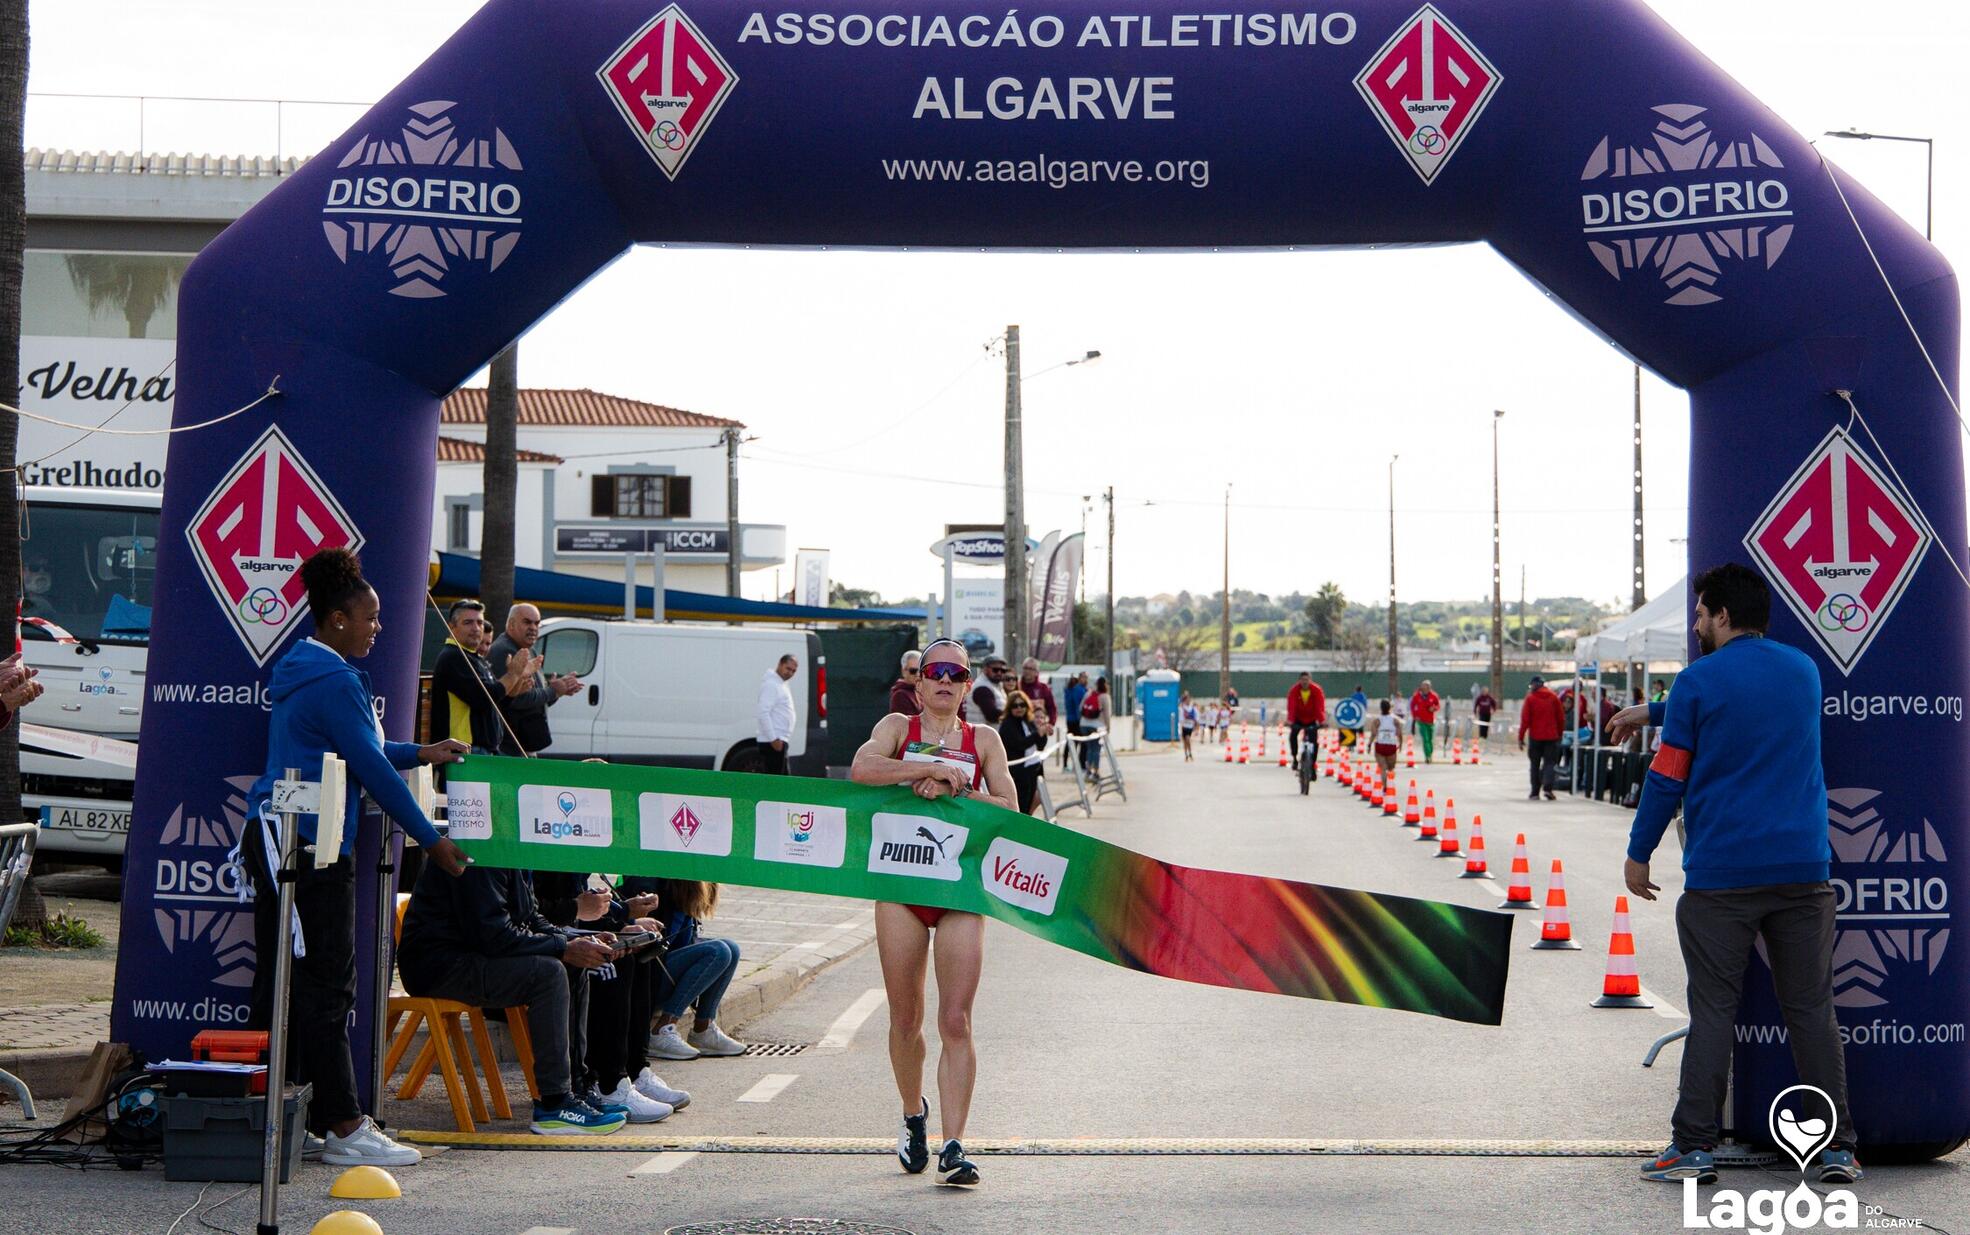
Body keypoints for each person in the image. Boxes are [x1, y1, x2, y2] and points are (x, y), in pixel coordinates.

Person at [1611, 564, 1860, 1187]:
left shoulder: (1698, 682)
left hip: (1722, 877)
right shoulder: (1803, 672)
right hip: (1804, 872)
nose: (1696, 622)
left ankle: (1693, 1147)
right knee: (1810, 1011)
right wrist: (1652, 709)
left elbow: (1668, 774)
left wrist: (1639, 851)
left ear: (1722, 615)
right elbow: (1735, 701)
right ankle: (1835, 1150)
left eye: (1700, 613)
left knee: (1714, 1009)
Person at [241, 548, 476, 1165]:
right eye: (370, 618)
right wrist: (432, 838)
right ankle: (343, 1126)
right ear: (338, 619)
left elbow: (362, 746)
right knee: (325, 984)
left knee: (299, 982)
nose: (379, 627)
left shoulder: (312, 670)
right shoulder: (337, 680)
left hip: (295, 838)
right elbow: (369, 766)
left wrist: (423, 752)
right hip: (305, 846)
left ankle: (299, 1114)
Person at [850, 638, 1017, 1188]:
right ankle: (912, 1116)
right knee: (905, 1018)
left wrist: (955, 788)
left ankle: (954, 1144)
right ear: (918, 684)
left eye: (955, 673)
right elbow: (863, 768)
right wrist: (917, 771)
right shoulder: (897, 727)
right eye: (934, 671)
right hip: (901, 884)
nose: (944, 680)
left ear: (967, 685)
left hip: (960, 892)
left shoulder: (985, 739)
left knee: (955, 1020)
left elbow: (1012, 813)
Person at [397, 860, 628, 1135]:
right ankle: (554, 1104)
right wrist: (564, 946)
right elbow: (493, 935)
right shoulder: (479, 854)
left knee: (574, 962)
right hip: (441, 967)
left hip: (470, 957)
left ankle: (576, 1090)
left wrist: (580, 939)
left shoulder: (509, 851)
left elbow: (531, 919)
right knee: (549, 972)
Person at [531, 873, 692, 1122]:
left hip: (537, 946)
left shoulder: (565, 862)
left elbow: (556, 918)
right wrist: (597, 920)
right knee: (612, 964)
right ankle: (607, 1084)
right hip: (514, 963)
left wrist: (619, 919)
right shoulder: (538, 860)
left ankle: (633, 1069)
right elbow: (532, 919)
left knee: (635, 951)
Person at [641, 879, 748, 1061]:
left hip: (664, 970)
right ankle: (662, 1029)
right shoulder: (656, 883)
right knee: (718, 951)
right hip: (647, 975)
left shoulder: (685, 889)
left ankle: (703, 1028)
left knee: (731, 948)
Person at [430, 599, 537, 756]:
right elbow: (484, 698)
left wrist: (515, 689)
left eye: (479, 623)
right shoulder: (454, 657)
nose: (476, 628)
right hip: (465, 751)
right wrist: (513, 673)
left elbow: (494, 702)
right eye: (468, 622)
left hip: (484, 750)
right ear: (451, 626)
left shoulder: (474, 657)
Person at [488, 603, 582, 755]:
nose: (533, 627)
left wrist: (559, 690)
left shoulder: (527, 649)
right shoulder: (505, 651)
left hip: (523, 746)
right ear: (511, 624)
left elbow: (536, 700)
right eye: (527, 622)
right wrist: (552, 691)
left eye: (536, 623)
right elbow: (517, 698)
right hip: (509, 748)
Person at [998, 688, 1049, 811]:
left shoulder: (1028, 721)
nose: (1019, 708)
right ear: (1010, 708)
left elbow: (1040, 745)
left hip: (1032, 770)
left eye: (1022, 705)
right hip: (1018, 772)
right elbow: (1020, 744)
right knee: (1021, 805)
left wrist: (1043, 733)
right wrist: (1037, 734)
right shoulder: (1007, 724)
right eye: (1015, 706)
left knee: (1031, 802)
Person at [1518, 675, 1565, 800]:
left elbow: (1525, 720)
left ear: (1534, 685)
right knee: (1550, 763)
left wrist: (1521, 737)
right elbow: (1560, 718)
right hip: (1551, 737)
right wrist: (1559, 734)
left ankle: (1534, 792)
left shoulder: (1531, 699)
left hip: (1535, 737)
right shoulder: (1554, 698)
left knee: (1534, 764)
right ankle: (1548, 788)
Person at [756, 653, 798, 774]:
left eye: (793, 671)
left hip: (778, 740)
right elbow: (763, 712)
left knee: (781, 783)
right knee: (776, 785)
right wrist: (773, 739)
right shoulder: (772, 685)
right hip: (773, 742)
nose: (790, 673)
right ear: (780, 664)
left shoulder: (780, 684)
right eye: (788, 668)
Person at [1285, 672, 1325, 768]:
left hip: (1312, 719)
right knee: (1292, 736)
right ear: (1299, 681)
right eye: (1303, 680)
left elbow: (1319, 706)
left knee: (1314, 742)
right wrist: (1290, 720)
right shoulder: (1294, 690)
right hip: (1298, 718)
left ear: (1310, 680)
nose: (1305, 682)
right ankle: (1295, 758)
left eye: (1307, 680)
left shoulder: (1317, 690)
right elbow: (1292, 706)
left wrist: (1322, 721)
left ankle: (1312, 765)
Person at [1081, 676, 1113, 776]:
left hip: (1084, 725)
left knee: (1089, 748)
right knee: (1096, 749)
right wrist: (1108, 727)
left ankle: (1088, 770)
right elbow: (1107, 714)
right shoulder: (1105, 697)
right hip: (1097, 726)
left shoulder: (1089, 693)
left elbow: (1080, 708)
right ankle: (1095, 770)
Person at [1016, 658, 1058, 727]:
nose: (1027, 671)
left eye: (1031, 669)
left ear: (1037, 672)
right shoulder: (1017, 687)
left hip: (1038, 729)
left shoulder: (1043, 688)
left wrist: (1051, 724)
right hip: (1020, 728)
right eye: (1025, 668)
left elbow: (1052, 708)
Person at [1408, 679, 1441, 763]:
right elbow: (1412, 706)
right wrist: (1415, 716)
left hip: (1430, 721)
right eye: (1423, 686)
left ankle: (1430, 753)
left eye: (1427, 686)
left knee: (1430, 739)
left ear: (1429, 687)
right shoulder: (1417, 696)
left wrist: (1433, 708)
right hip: (1421, 721)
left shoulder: (1434, 696)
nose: (1425, 688)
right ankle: (1427, 756)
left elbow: (1438, 706)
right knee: (1425, 739)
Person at [970, 656, 1009, 725]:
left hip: (990, 732)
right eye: (995, 670)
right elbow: (992, 715)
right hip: (981, 733)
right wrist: (1012, 712)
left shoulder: (996, 685)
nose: (999, 673)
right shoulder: (982, 687)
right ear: (985, 669)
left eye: (1003, 671)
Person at [1062, 671, 1089, 769]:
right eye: (1084, 677)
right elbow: (1079, 706)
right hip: (1076, 720)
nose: (1086, 679)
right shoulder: (1079, 690)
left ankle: (1067, 764)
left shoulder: (1069, 690)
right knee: (1080, 742)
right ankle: (1079, 765)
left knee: (1071, 742)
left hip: (1070, 719)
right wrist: (1081, 719)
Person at [1370, 697, 1402, 776]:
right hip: (1391, 746)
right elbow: (1399, 734)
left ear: (1380, 708)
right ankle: (1390, 784)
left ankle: (1384, 786)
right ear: (1390, 707)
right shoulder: (1395, 720)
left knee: (1382, 768)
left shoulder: (1376, 720)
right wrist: (1401, 744)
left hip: (1380, 746)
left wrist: (1369, 744)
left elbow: (1373, 734)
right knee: (1391, 768)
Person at [888, 650, 924, 716]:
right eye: (913, 671)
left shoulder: (921, 691)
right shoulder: (900, 696)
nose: (918, 674)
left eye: (921, 670)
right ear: (903, 671)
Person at [1178, 691, 1200, 762]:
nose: (1188, 701)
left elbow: (1197, 719)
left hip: (1190, 727)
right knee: (1185, 742)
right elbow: (1180, 719)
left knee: (1188, 740)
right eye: (1186, 700)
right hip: (1184, 726)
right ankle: (1186, 755)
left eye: (1189, 700)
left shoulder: (1193, 709)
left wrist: (1197, 729)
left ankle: (1190, 753)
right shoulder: (1182, 708)